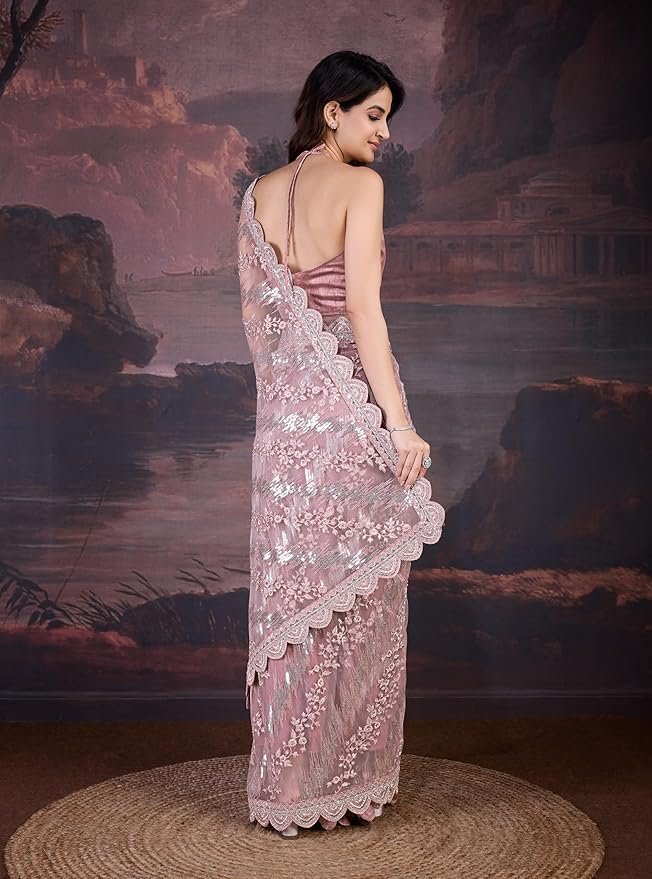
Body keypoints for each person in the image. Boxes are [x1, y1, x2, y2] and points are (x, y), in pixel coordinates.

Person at [237, 50, 445, 839]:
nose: (384, 132)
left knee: (297, 596)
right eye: (373, 114)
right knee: (359, 600)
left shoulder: (256, 194)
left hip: (284, 433)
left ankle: (286, 784)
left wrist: (291, 414)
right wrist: (398, 422)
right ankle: (344, 780)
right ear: (332, 111)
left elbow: (261, 332)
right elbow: (362, 309)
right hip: (349, 420)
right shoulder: (361, 186)